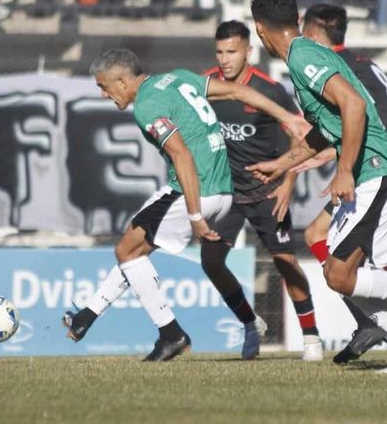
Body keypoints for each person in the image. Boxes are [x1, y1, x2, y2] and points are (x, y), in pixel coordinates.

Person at [247, 0, 387, 373]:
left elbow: (354, 105)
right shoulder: (310, 56)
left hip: (376, 170)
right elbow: (328, 127)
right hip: (375, 171)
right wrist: (283, 164)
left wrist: (344, 170)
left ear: (260, 30)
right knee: (342, 275)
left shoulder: (302, 56)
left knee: (340, 274)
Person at [61, 49, 309, 361]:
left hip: (196, 190)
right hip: (223, 190)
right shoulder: (177, 78)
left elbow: (182, 157)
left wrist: (194, 215)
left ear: (123, 81)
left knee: (127, 251)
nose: (102, 94)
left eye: (103, 86)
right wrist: (288, 117)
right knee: (133, 244)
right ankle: (87, 316)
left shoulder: (147, 105)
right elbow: (236, 90)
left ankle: (171, 334)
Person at [202, 20, 323, 361]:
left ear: (248, 52)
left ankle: (311, 337)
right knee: (211, 261)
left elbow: (302, 138)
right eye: (220, 52)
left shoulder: (270, 91)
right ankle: (250, 323)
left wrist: (287, 183)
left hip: (268, 190)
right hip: (227, 193)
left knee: (285, 262)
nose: (225, 59)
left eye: (232, 52)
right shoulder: (206, 85)